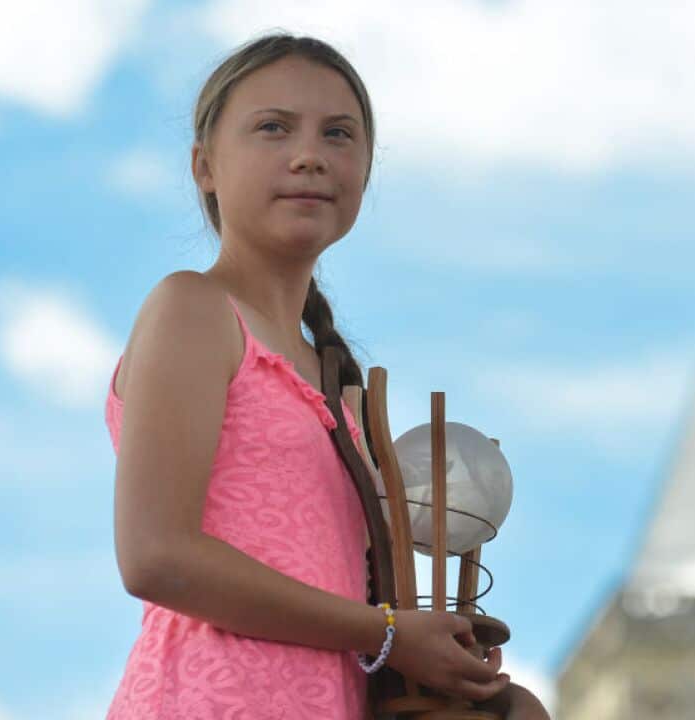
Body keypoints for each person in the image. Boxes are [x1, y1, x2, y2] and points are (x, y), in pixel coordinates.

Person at [104, 32, 549, 719]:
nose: (309, 154)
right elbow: (156, 556)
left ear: (365, 173)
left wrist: (440, 664)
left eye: (338, 134)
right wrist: (390, 634)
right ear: (205, 168)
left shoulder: (337, 384)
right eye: (272, 128)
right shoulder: (193, 309)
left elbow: (354, 611)